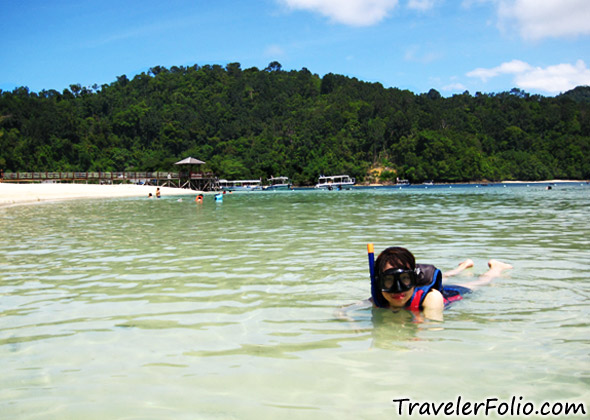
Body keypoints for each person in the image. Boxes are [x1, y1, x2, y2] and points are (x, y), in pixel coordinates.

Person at [338, 246, 512, 322]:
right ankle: (462, 267)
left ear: (414, 280)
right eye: (389, 281)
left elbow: (432, 326)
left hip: (452, 294)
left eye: (405, 280)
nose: (398, 290)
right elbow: (341, 310)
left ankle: (497, 268)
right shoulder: (379, 297)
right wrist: (350, 320)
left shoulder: (432, 298)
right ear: (379, 283)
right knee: (449, 275)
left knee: (481, 282)